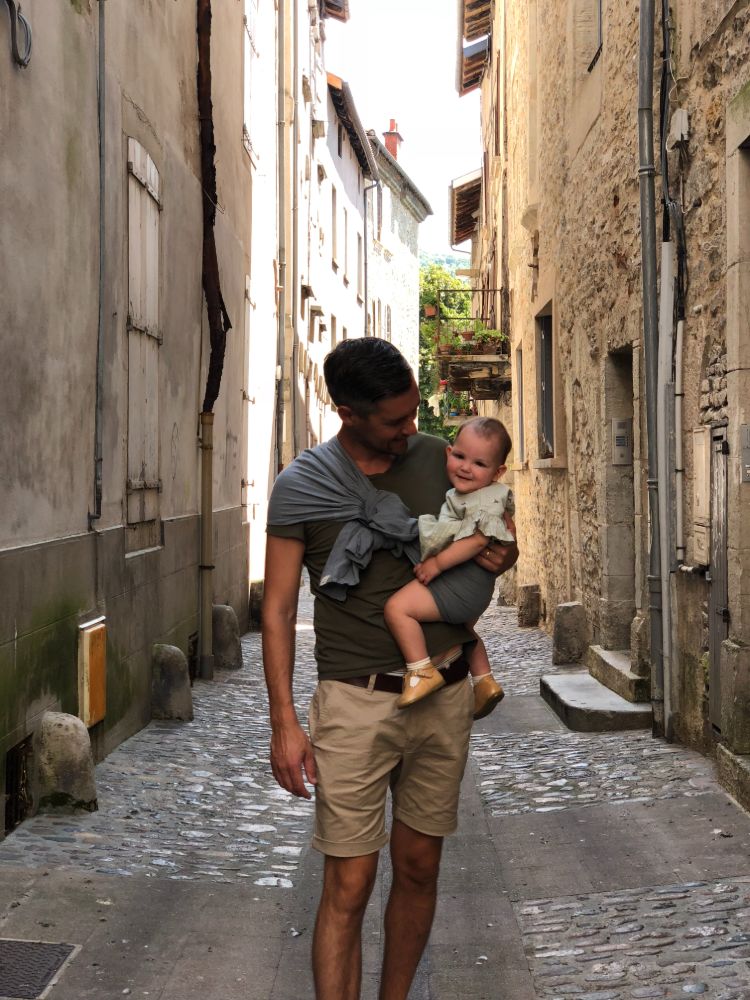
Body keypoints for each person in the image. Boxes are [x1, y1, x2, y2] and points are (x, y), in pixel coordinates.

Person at [262, 338, 518, 1000]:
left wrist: (499, 556)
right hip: (354, 702)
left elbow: (492, 533)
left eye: (413, 413)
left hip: (443, 694)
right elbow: (278, 607)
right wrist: (284, 723)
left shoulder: (443, 459)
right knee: (348, 882)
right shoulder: (303, 485)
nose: (414, 429)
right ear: (348, 412)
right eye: (397, 420)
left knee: (420, 864)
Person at [384, 417, 513, 719]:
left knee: (397, 609)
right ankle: (484, 682)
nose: (466, 467)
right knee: (464, 629)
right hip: (475, 587)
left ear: (498, 472)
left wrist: (436, 564)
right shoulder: (471, 494)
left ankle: (421, 672)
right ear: (448, 453)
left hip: (462, 581)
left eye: (479, 463)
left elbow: (477, 542)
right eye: (460, 457)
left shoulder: (484, 501)